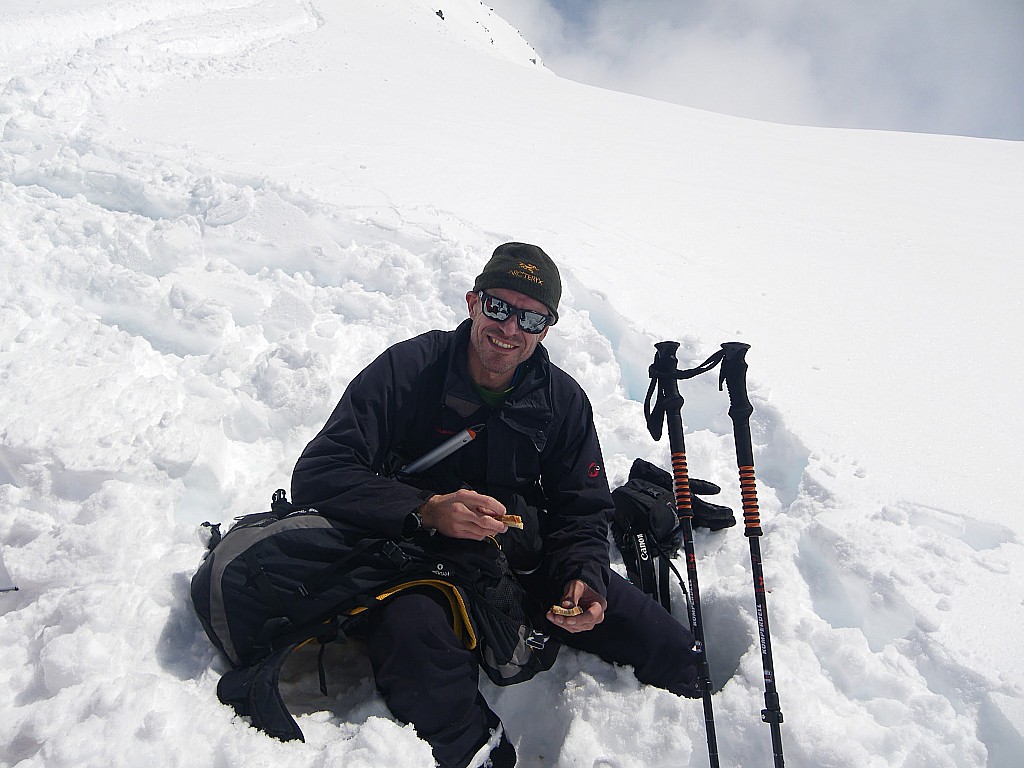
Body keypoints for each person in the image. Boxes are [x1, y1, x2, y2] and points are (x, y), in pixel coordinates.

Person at [291, 242, 700, 768]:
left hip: (523, 561)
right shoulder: (409, 370)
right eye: (498, 307)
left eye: (529, 317)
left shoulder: (563, 402)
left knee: (672, 652)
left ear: (546, 328)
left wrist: (582, 573)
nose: (509, 329)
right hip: (417, 567)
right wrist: (427, 508)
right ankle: (483, 755)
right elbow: (321, 472)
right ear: (472, 302)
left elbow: (583, 508)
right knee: (414, 645)